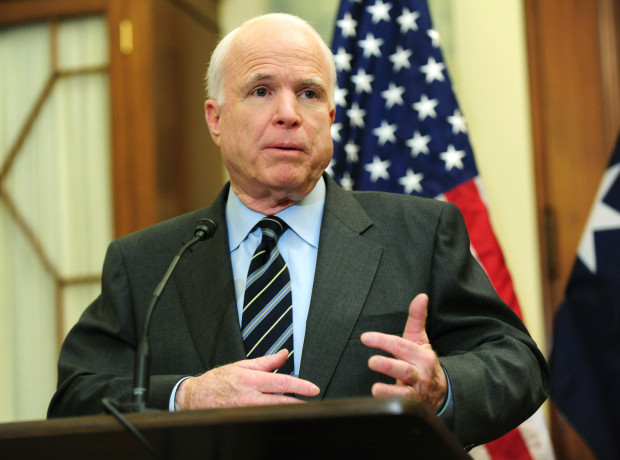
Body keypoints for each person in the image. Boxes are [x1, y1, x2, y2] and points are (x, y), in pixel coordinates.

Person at [48, 13, 550, 449]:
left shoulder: (419, 232)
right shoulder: (147, 263)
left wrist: (442, 387)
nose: (288, 114)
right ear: (215, 119)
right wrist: (185, 397)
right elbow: (76, 398)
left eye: (308, 94)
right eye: (261, 90)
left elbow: (518, 364)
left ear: (330, 119)